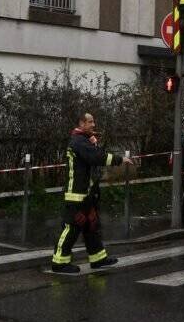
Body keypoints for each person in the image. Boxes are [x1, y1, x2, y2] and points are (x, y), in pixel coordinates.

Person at [50, 113, 132, 273]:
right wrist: (119, 159)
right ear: (81, 123)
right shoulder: (78, 141)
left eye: (94, 121)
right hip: (76, 195)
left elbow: (93, 158)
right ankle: (59, 262)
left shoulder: (84, 140)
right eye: (90, 122)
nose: (93, 125)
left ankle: (98, 259)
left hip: (86, 194)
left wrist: (94, 143)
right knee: (71, 228)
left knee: (91, 226)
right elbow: (95, 157)